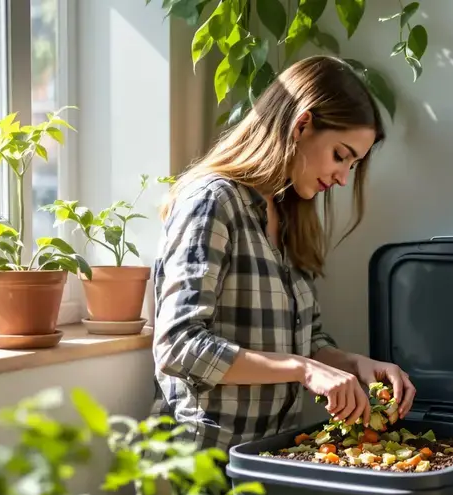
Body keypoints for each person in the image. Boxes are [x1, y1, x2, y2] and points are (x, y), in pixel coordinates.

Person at [151, 55, 417, 453]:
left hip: (269, 457)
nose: (344, 177)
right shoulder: (212, 202)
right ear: (302, 124)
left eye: (354, 164)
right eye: (341, 155)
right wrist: (303, 370)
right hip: (202, 459)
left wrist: (355, 365)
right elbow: (178, 346)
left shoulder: (290, 216)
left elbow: (305, 341)